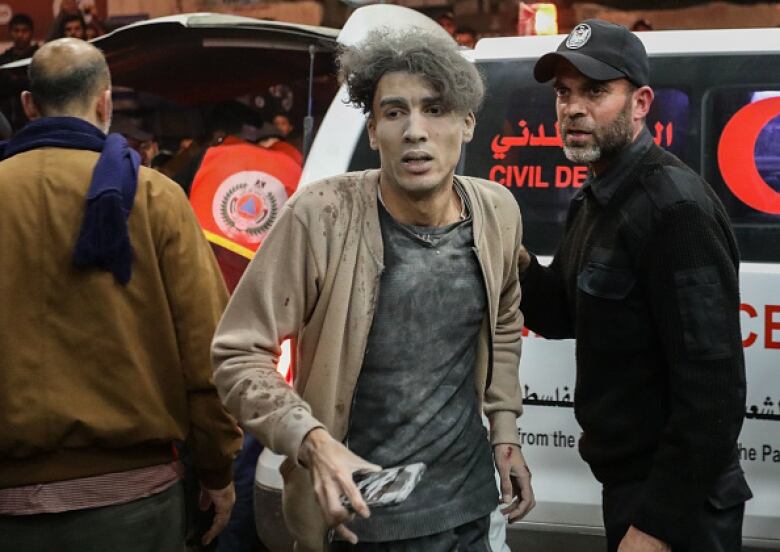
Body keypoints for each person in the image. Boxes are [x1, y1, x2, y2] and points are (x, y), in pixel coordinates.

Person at [212, 27, 534, 552]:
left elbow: (503, 319)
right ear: (373, 129)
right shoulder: (322, 215)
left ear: (468, 124)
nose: (414, 131)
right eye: (394, 112)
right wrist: (311, 442)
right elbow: (237, 353)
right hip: (360, 523)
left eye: (435, 109)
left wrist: (504, 429)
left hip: (475, 509)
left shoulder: (497, 211)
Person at [0, 38, 242, 551]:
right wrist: (218, 469)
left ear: (28, 106)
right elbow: (209, 352)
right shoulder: (155, 198)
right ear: (105, 102)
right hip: (135, 505)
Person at [519, 19, 752, 552]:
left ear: (641, 102)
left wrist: (655, 527)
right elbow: (561, 314)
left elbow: (712, 395)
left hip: (678, 508)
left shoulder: (674, 210)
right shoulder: (596, 196)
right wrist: (515, 258)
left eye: (595, 91)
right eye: (564, 92)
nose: (572, 108)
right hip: (628, 490)